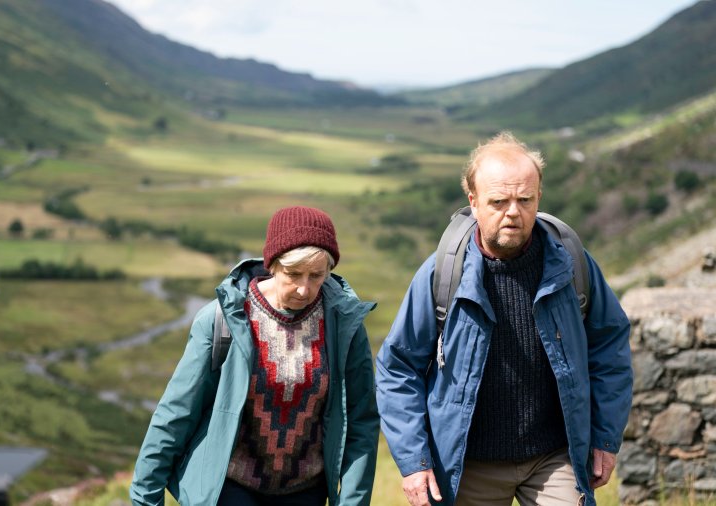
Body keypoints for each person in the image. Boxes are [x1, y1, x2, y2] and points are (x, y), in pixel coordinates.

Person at [375, 132, 633, 506]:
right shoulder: (443, 273)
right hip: (467, 463)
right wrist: (414, 462)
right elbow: (398, 368)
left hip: (553, 457)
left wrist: (604, 439)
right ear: (473, 201)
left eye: (524, 199)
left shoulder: (572, 263)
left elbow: (609, 349)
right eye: (498, 201)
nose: (513, 211)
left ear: (539, 197)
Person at [131, 206, 379, 506]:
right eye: (293, 274)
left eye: (317, 276)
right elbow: (176, 413)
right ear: (272, 264)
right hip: (229, 487)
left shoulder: (343, 325)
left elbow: (361, 421)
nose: (304, 288)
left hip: (306, 493)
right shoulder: (222, 320)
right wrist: (145, 496)